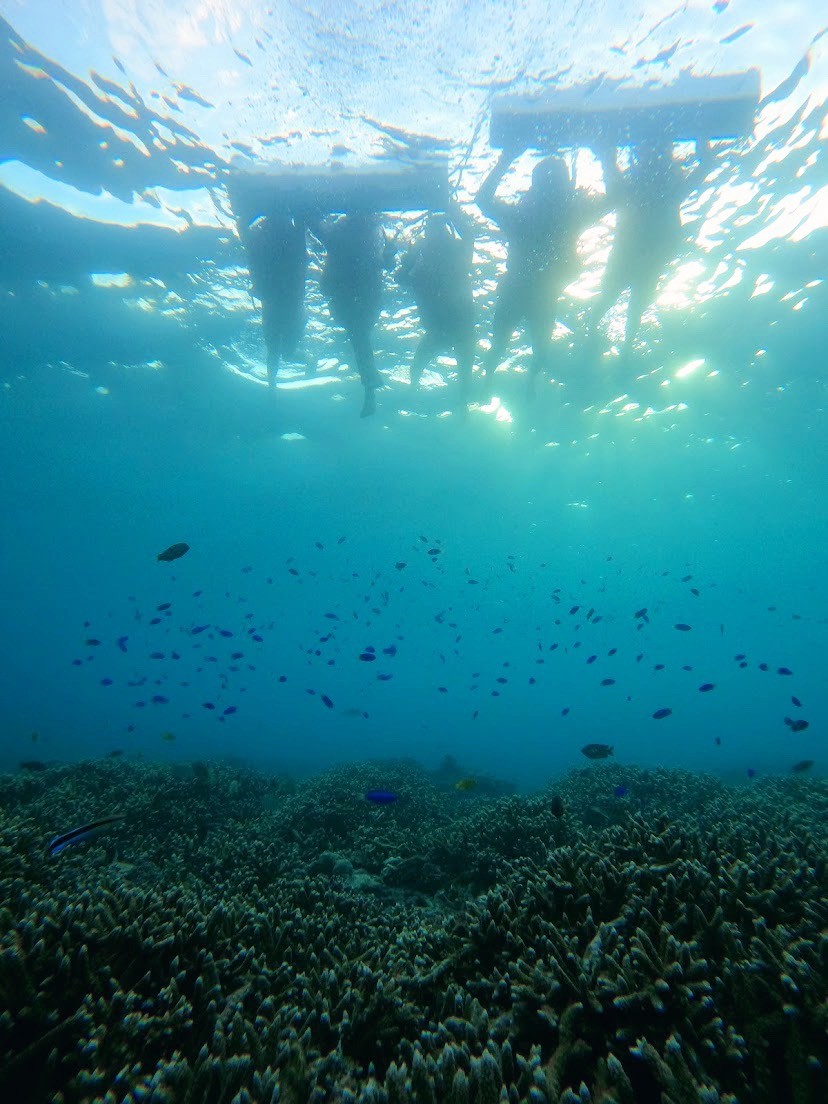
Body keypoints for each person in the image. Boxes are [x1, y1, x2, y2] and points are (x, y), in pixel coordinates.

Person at [476, 148, 608, 401]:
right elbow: (614, 198)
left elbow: (482, 200)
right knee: (527, 346)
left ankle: (507, 382)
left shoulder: (524, 216)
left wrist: (507, 158)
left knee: (522, 346)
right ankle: (508, 382)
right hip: (537, 292)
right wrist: (604, 152)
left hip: (524, 291)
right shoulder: (569, 214)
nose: (552, 189)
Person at [585, 138, 713, 358]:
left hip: (634, 258)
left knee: (616, 302)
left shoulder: (637, 189)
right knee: (628, 306)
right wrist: (703, 141)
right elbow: (705, 167)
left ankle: (599, 339)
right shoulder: (669, 189)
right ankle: (607, 341)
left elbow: (611, 171)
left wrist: (606, 153)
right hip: (645, 259)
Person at [397, 200, 476, 404]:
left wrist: (453, 214)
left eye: (438, 230)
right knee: (419, 370)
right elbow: (401, 278)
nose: (435, 236)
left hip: (454, 327)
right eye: (432, 231)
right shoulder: (422, 255)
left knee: (462, 377)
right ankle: (415, 395)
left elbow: (468, 235)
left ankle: (461, 406)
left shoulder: (453, 252)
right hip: (448, 328)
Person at [313, 212, 388, 418]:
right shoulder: (366, 232)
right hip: (358, 299)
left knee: (359, 337)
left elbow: (318, 229)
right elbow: (385, 264)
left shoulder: (345, 233)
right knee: (359, 337)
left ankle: (370, 388)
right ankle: (370, 388)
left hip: (357, 299)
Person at [243, 213, 308, 387]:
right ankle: (272, 385)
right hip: (281, 303)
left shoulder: (261, 233)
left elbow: (251, 256)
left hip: (284, 304)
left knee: (282, 351)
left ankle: (274, 384)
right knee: (279, 351)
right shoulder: (267, 234)